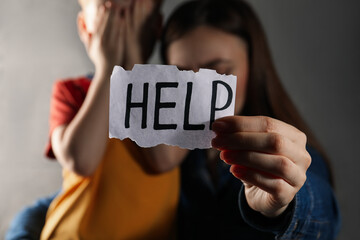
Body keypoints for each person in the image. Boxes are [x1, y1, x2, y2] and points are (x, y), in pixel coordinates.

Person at [159, 0, 341, 239]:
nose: (201, 95)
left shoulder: (285, 151)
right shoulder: (171, 156)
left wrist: (285, 202)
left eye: (220, 73)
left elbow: (322, 216)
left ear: (253, 67)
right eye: (183, 79)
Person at [6, 0, 185, 239]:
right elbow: (81, 161)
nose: (121, 28)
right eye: (109, 15)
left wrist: (131, 70)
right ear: (84, 27)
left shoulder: (172, 96)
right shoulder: (72, 92)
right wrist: (108, 70)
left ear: (155, 27)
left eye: (132, 16)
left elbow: (162, 159)